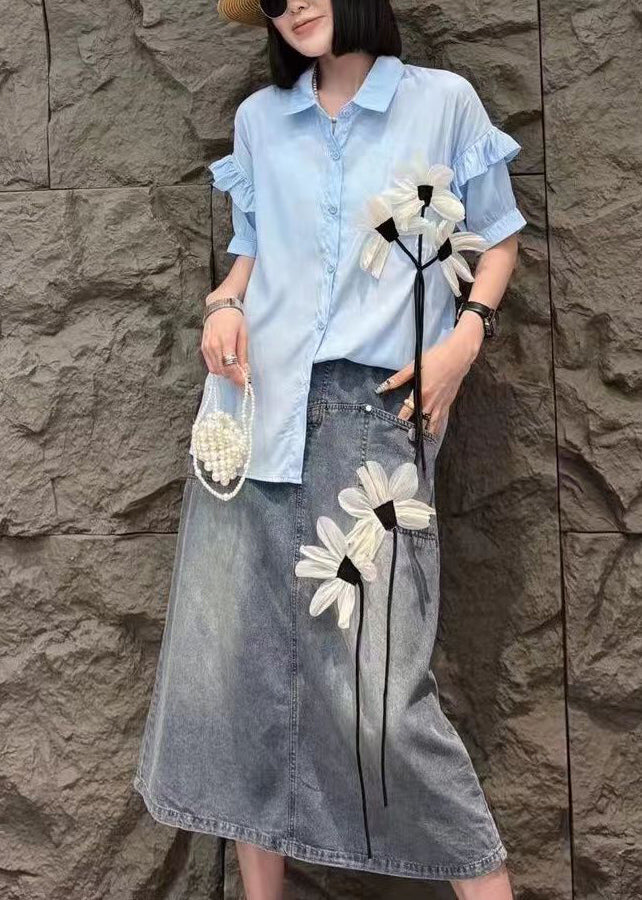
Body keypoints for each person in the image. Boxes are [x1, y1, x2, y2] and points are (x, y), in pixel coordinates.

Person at [133, 1, 527, 898]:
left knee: (379, 697)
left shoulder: (441, 102)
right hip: (251, 410)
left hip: (375, 415)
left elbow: (500, 236)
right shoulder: (260, 120)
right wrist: (223, 304)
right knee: (235, 680)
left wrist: (464, 340)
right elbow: (252, 253)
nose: (294, 6)